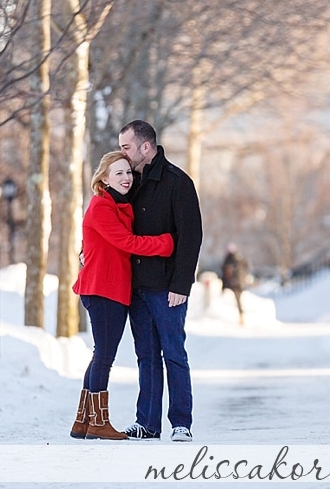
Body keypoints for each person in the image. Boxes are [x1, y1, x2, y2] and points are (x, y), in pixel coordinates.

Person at [70, 151, 175, 441]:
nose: (126, 178)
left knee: (99, 355)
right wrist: (166, 243)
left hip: (111, 289)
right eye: (118, 173)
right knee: (104, 356)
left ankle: (84, 421)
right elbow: (126, 242)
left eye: (128, 172)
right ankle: (99, 422)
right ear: (104, 178)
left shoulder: (118, 205)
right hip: (103, 289)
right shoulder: (102, 206)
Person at [118, 119, 203, 442]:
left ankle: (181, 422)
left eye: (126, 147)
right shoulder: (128, 181)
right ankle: (148, 423)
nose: (122, 153)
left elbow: (191, 236)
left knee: (174, 354)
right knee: (146, 356)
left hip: (167, 288)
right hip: (136, 286)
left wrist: (181, 286)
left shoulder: (178, 182)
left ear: (145, 146)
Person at [221, 244, 249, 325]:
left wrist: (224, 285)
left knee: (233, 300)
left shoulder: (228, 260)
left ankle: (238, 318)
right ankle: (241, 317)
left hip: (232, 284)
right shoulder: (240, 259)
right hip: (240, 283)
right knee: (239, 301)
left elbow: (226, 273)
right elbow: (247, 266)